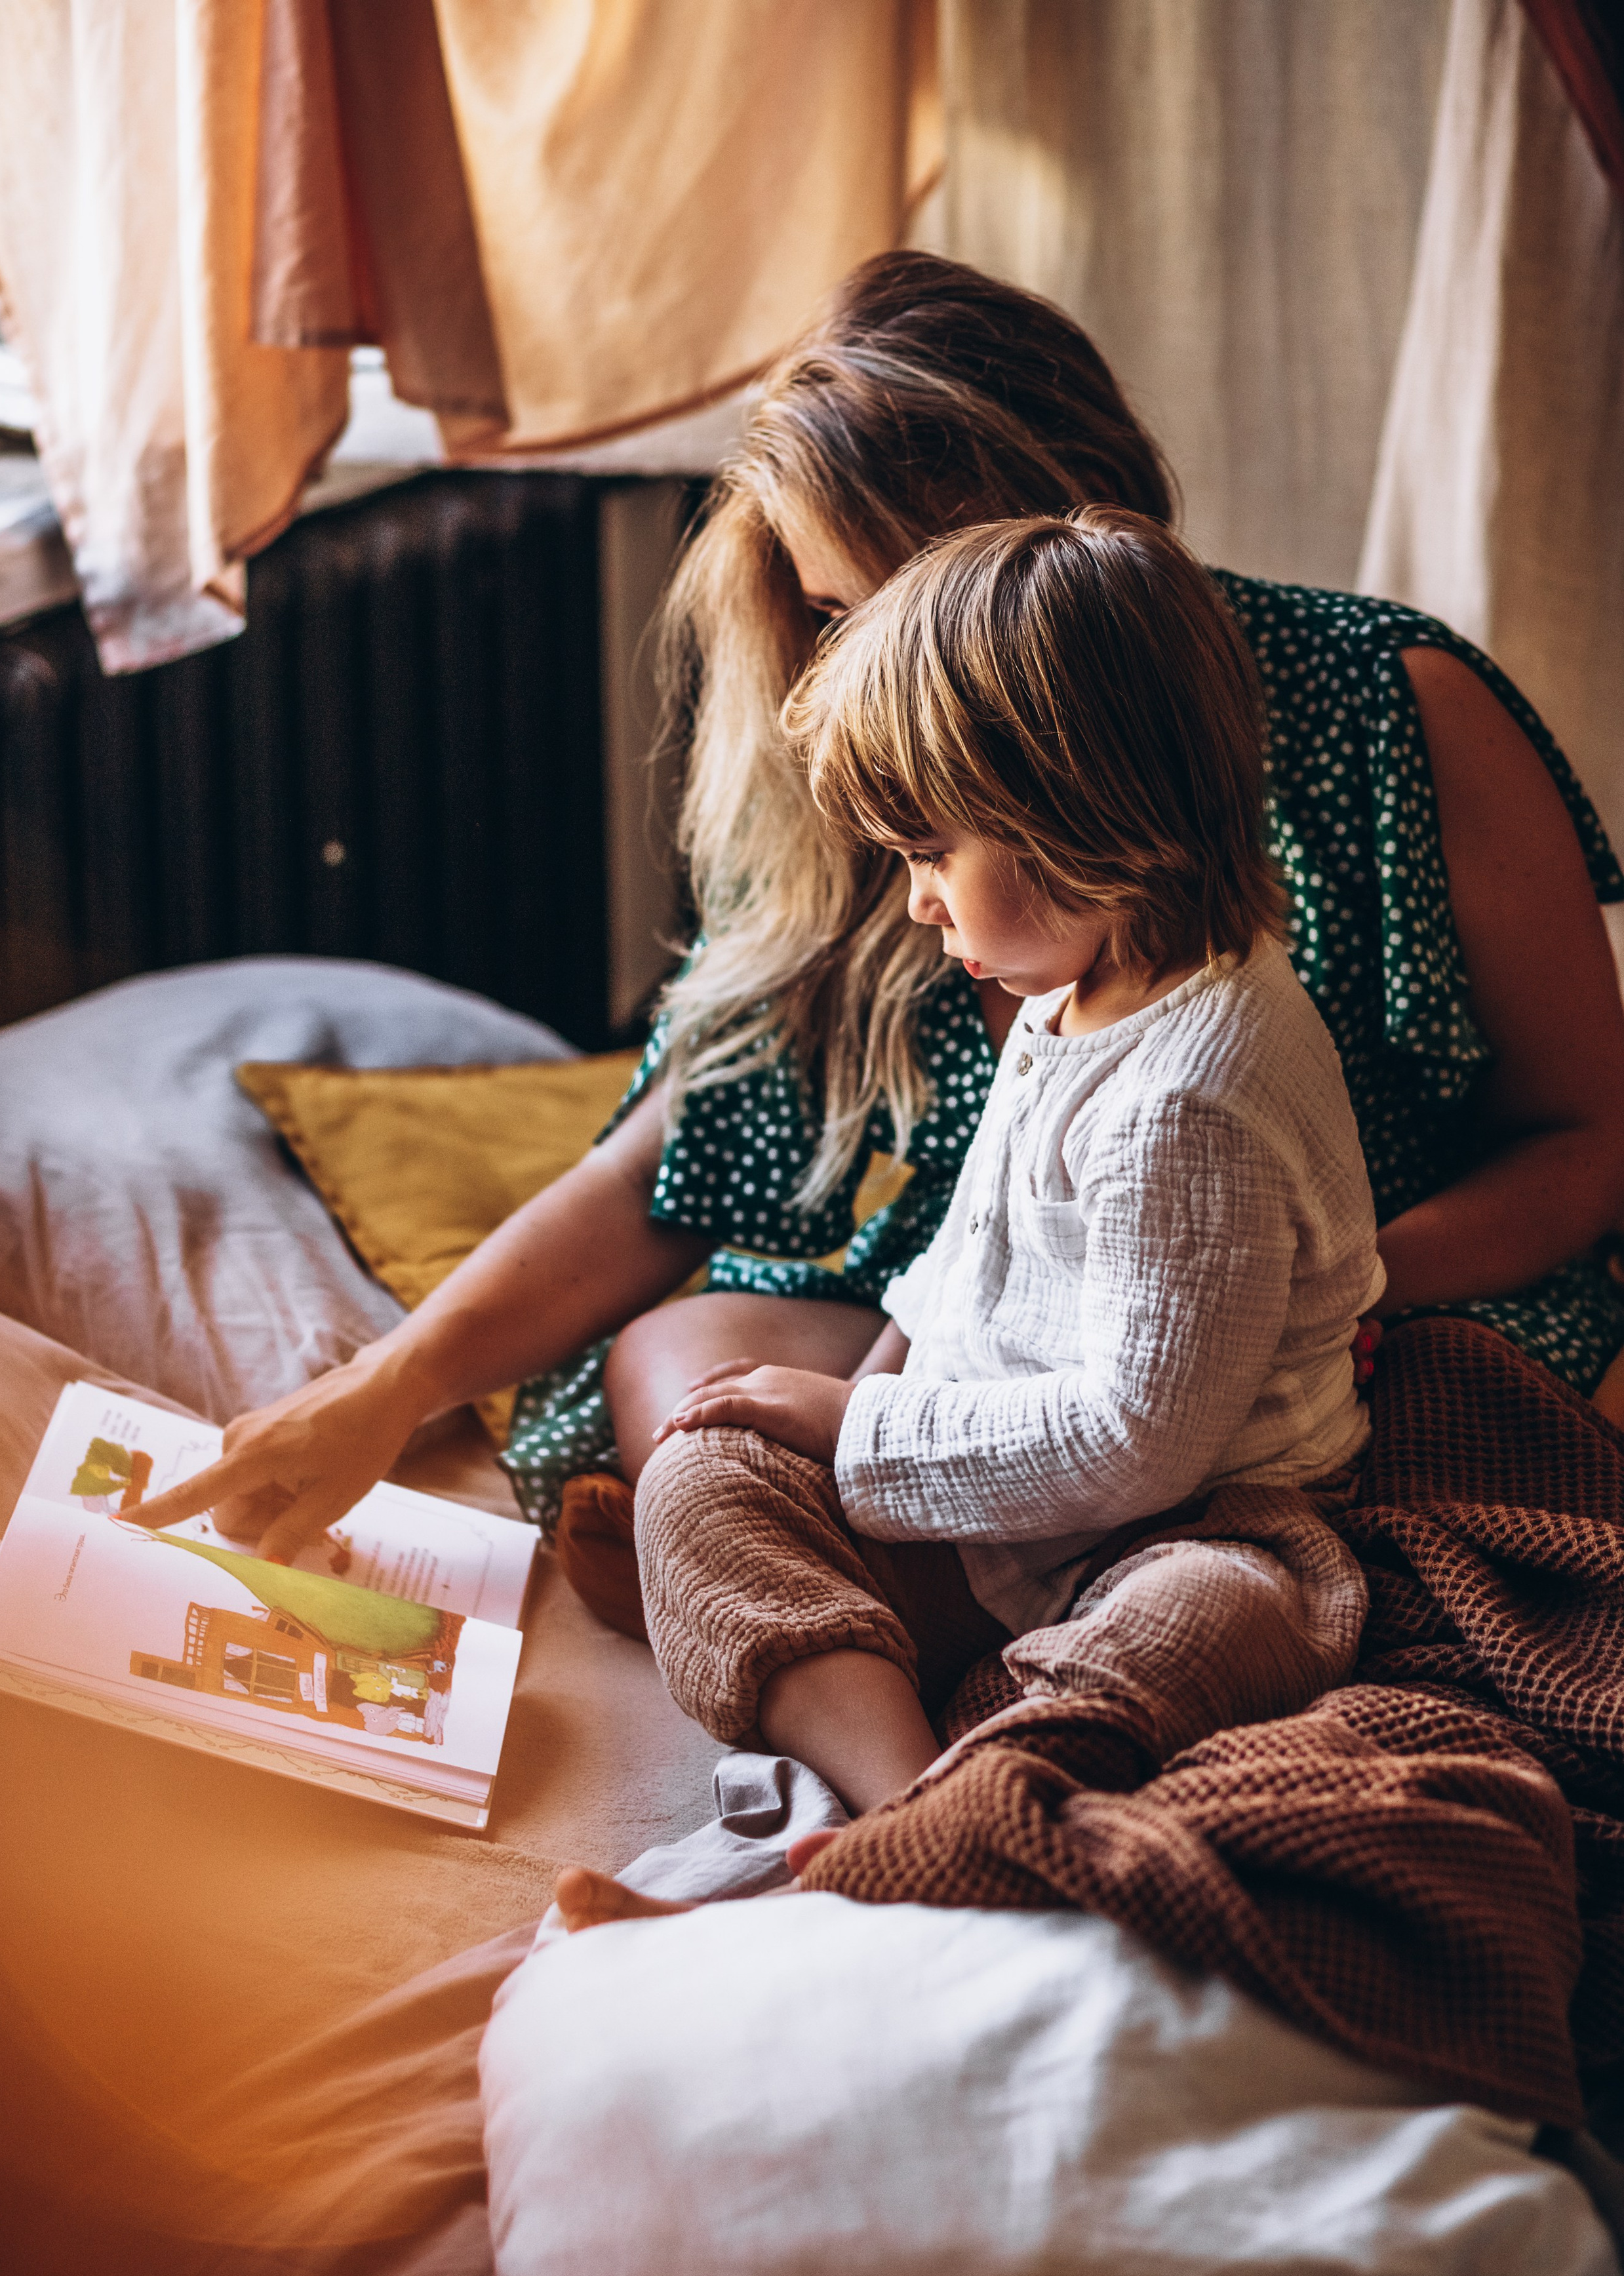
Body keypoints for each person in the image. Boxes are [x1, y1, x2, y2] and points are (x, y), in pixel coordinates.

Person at [126, 252, 1624, 1600]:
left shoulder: (1385, 705)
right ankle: (905, 1613)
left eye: (921, 599)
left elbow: (1583, 1136)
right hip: (991, 1333)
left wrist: (1320, 1296)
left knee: (1411, 1457)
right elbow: (676, 1151)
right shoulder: (869, 773)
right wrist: (386, 1391)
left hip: (1345, 1326)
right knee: (685, 1366)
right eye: (840, 612)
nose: (876, 670)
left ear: (1083, 542)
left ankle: (977, 1633)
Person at [550, 508, 1384, 1927]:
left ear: (1081, 818)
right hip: (994, 1517)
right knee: (703, 1483)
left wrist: (858, 1433)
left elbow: (1139, 1440)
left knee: (1217, 1623)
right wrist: (841, 1403)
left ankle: (928, 1818)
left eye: (932, 852)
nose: (918, 900)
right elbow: (964, 1258)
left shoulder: (1196, 1091)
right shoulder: (1067, 994)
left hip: (1181, 1524)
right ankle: (920, 1802)